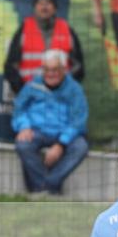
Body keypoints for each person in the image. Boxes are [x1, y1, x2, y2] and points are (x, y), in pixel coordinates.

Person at [12, 49, 89, 194]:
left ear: (64, 70)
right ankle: (47, 187)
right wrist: (24, 127)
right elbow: (18, 110)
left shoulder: (75, 89)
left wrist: (61, 144)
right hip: (37, 131)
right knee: (22, 144)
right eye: (46, 69)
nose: (50, 74)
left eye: (54, 70)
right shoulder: (32, 85)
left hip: (64, 133)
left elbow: (78, 121)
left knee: (81, 146)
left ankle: (49, 183)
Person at [4, 0, 85, 94]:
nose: (44, 7)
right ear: (34, 7)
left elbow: (78, 67)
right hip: (30, 97)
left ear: (55, 8)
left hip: (61, 98)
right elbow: (11, 67)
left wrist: (66, 90)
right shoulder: (24, 30)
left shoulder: (67, 30)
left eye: (48, 3)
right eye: (40, 3)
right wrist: (23, 91)